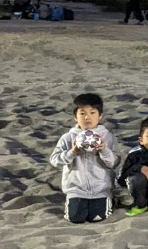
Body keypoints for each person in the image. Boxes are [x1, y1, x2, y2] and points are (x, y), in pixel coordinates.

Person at [50, 92, 122, 224]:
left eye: (92, 113)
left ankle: (111, 200)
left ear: (100, 116)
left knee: (97, 218)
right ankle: (74, 203)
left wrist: (104, 150)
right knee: (76, 218)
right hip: (76, 190)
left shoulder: (107, 137)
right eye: (82, 113)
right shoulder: (68, 138)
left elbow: (114, 163)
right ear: (75, 117)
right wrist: (72, 152)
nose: (87, 117)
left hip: (100, 189)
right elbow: (55, 160)